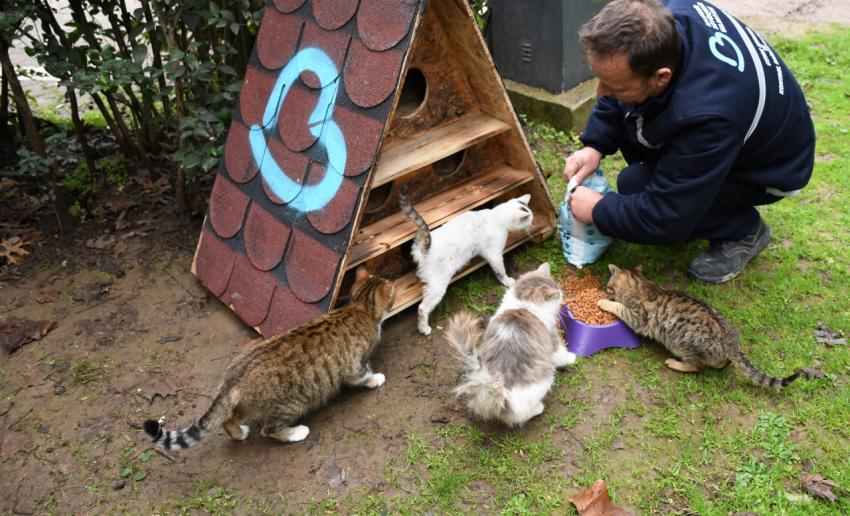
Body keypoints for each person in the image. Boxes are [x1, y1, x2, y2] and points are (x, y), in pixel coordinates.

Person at [563, 0, 815, 284]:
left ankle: (743, 230)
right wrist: (594, 145)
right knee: (639, 179)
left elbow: (665, 215)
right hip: (739, 125)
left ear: (661, 77)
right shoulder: (661, 18)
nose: (600, 92)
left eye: (615, 86)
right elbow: (615, 90)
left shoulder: (709, 116)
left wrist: (599, 210)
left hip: (772, 167)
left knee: (637, 186)